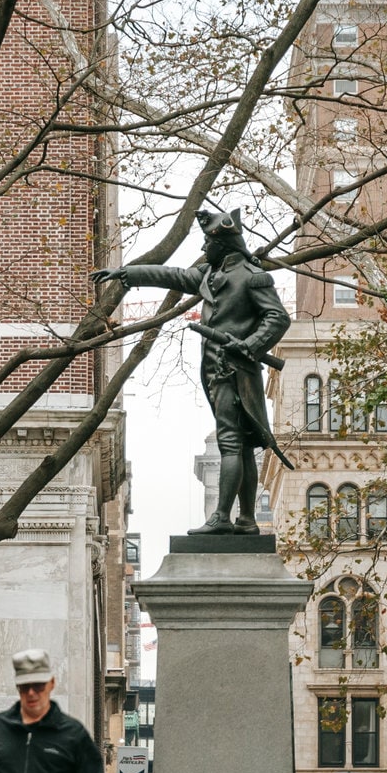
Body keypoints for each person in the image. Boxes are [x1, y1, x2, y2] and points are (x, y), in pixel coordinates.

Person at [90, 209, 291, 534]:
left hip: (235, 371)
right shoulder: (208, 276)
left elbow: (278, 318)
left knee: (232, 441)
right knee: (240, 443)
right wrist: (126, 273)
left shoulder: (253, 277)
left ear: (223, 244)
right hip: (213, 370)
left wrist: (251, 344)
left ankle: (223, 518)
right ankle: (246, 520)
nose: (204, 247)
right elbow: (170, 275)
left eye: (208, 242)